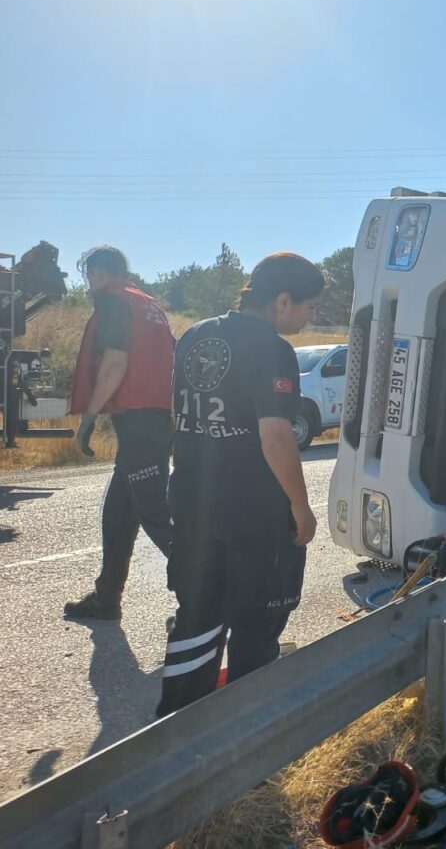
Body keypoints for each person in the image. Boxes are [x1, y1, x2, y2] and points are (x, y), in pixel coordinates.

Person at [156, 253, 324, 716]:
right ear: (282, 300)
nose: (310, 318)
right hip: (253, 512)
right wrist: (301, 506)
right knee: (257, 620)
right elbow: (275, 435)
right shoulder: (272, 349)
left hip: (192, 500)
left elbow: (180, 417)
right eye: (309, 307)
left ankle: (177, 731)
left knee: (197, 617)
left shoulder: (194, 335)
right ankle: (245, 739)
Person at [64, 246, 175, 621]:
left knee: (156, 514)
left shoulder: (113, 303)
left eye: (88, 274)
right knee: (117, 513)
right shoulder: (148, 305)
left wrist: (90, 416)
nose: (89, 282)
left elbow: (114, 363)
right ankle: (107, 596)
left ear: (96, 273)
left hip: (140, 422)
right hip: (155, 418)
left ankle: (208, 594)